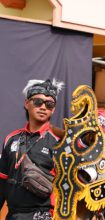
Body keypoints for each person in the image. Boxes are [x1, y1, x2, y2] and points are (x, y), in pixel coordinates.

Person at [0, 79, 64, 219]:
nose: (43, 107)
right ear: (26, 103)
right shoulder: (11, 138)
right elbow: (2, 181)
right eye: (37, 102)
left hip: (42, 215)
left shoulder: (59, 143)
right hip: (12, 215)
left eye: (49, 104)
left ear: (53, 109)